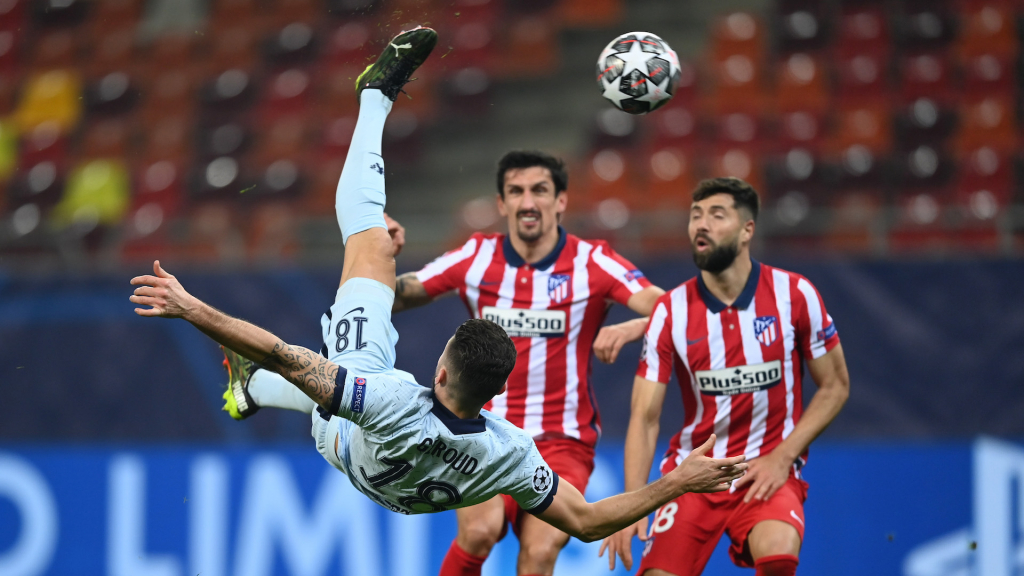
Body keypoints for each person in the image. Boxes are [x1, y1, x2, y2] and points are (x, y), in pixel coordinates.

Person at [129, 27, 747, 546]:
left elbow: (285, 353)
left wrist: (191, 307)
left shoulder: (392, 400)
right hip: (389, 483)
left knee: (363, 245)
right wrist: (678, 482)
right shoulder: (510, 451)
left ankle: (374, 96)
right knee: (303, 370)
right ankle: (251, 393)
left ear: (442, 374)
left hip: (353, 432)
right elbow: (586, 523)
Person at [233, 136, 665, 576]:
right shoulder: (478, 256)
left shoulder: (593, 262)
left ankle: (261, 386)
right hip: (484, 434)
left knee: (539, 555)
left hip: (563, 437)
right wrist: (383, 258)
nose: (528, 201)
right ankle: (261, 386)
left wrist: (632, 326)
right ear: (501, 202)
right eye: (516, 191)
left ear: (561, 201)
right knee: (478, 533)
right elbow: (401, 295)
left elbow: (674, 310)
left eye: (540, 190)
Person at [598, 177, 850, 576]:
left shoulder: (796, 294)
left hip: (765, 469)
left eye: (717, 215)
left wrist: (782, 457)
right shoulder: (671, 311)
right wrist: (633, 504)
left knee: (780, 553)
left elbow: (836, 385)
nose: (702, 224)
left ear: (747, 229)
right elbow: (644, 417)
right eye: (695, 215)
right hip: (693, 473)